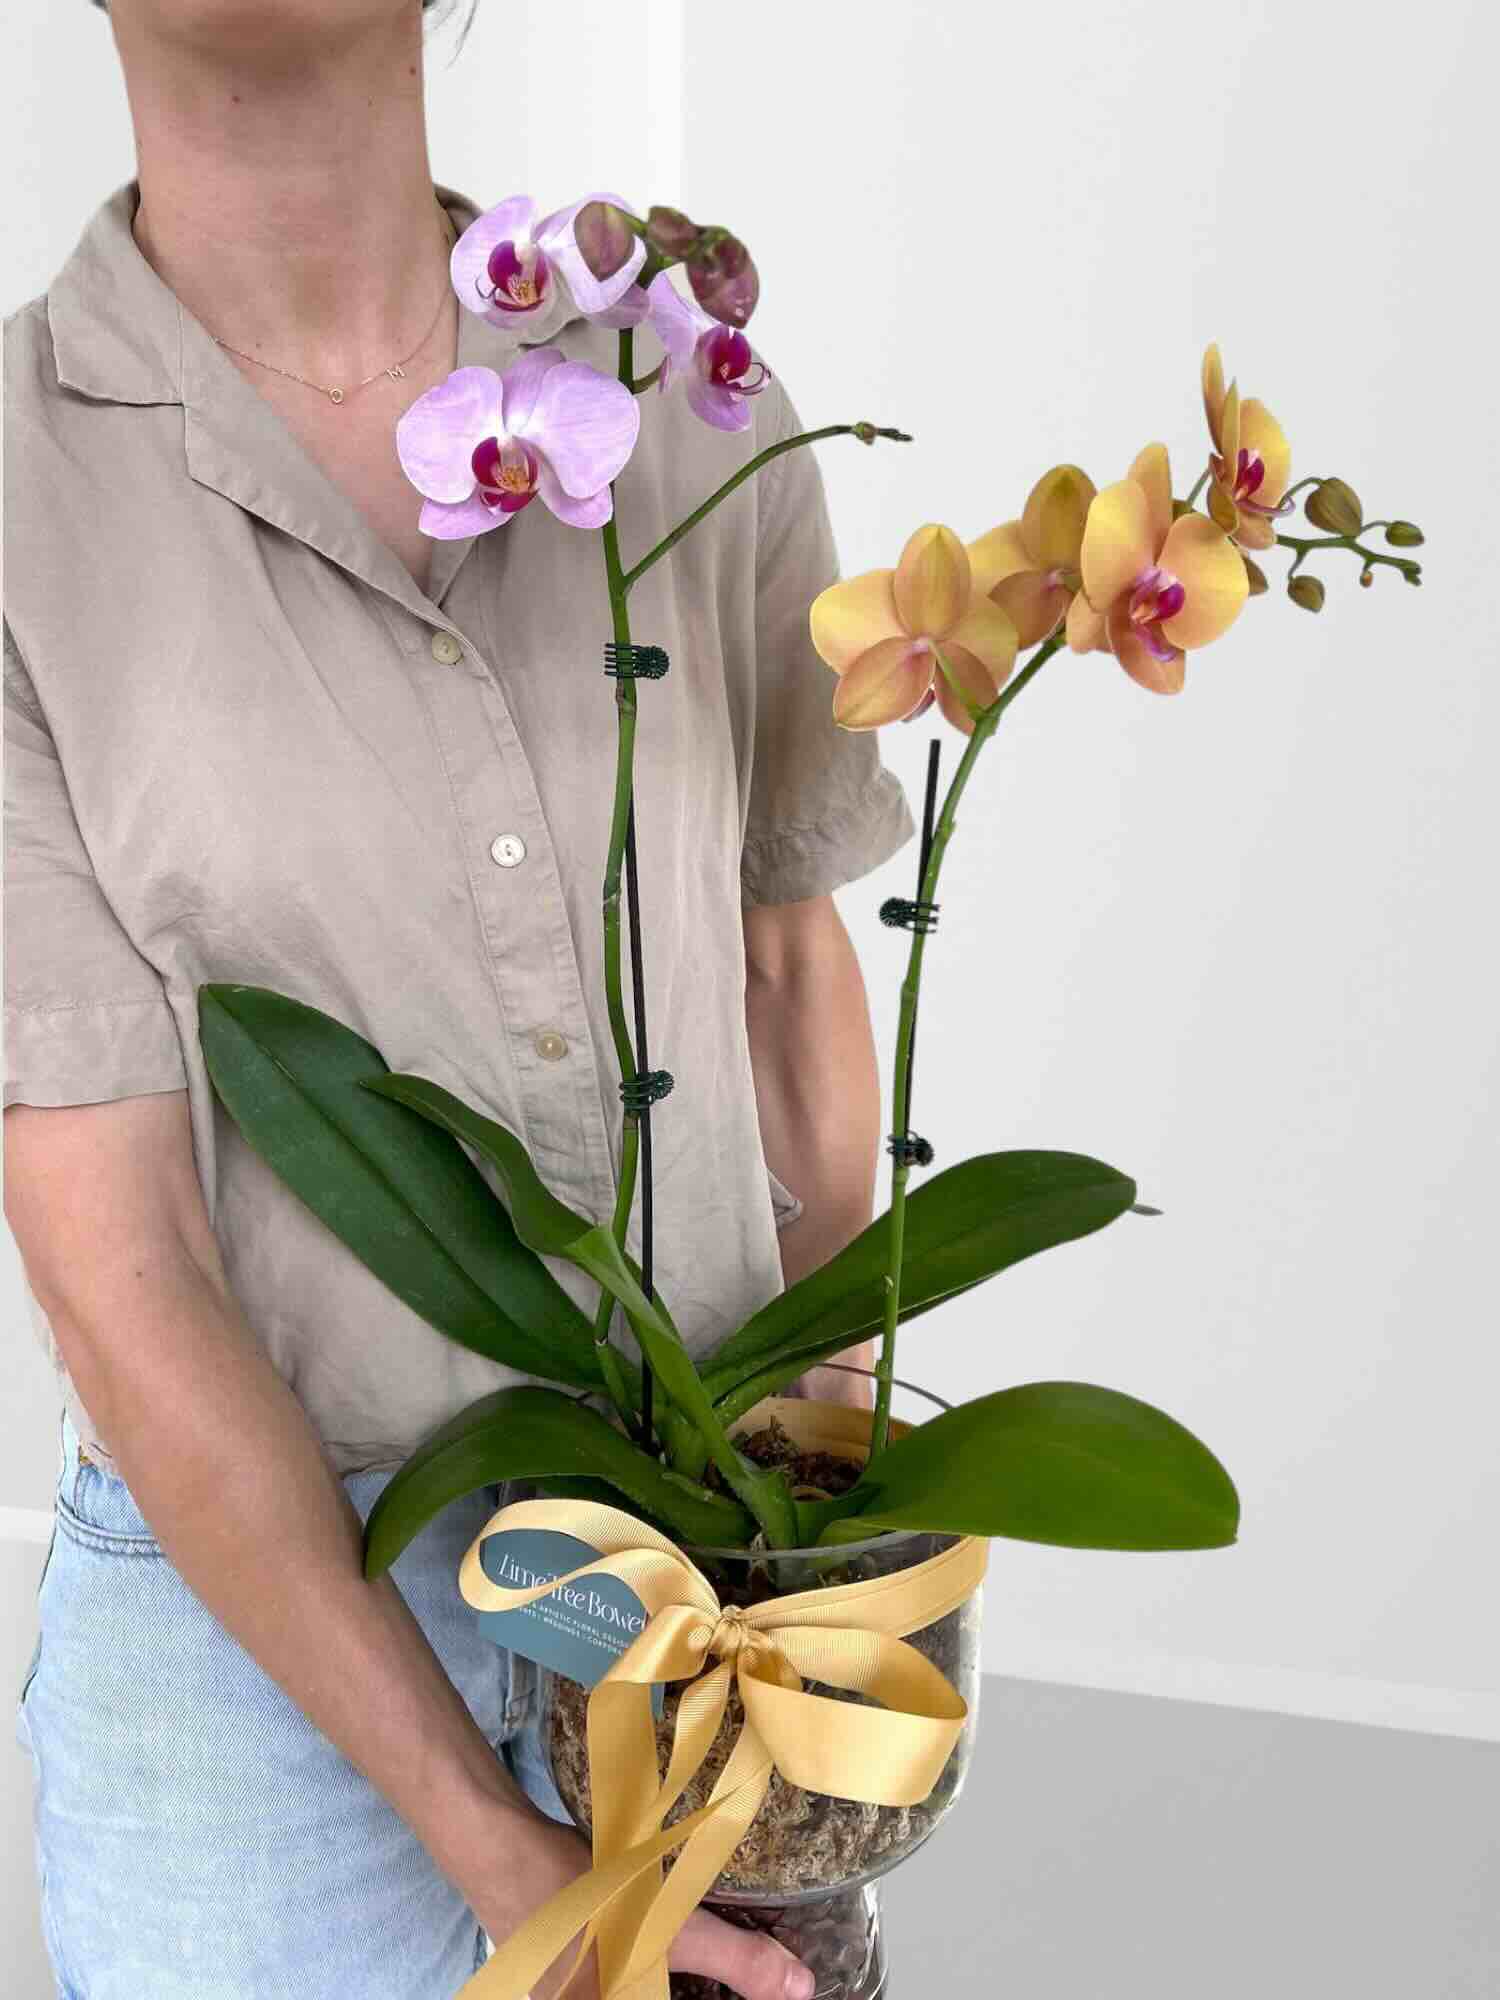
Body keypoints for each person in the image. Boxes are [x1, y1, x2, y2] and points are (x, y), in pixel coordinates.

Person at [3, 3, 913, 1995]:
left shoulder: (683, 384)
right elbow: (114, 1251)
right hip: (262, 1654)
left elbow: (784, 961)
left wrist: (821, 1527)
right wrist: (488, 1839)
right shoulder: (12, 496)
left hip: (709, 1559)